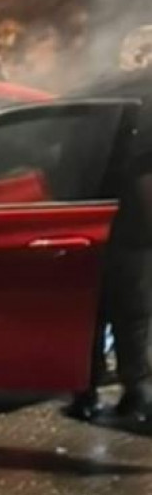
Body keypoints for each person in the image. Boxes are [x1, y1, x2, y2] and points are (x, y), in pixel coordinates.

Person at [69, 65, 152, 422]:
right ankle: (137, 392)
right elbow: (145, 169)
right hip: (130, 223)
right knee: (132, 311)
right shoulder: (145, 97)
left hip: (84, 213)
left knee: (91, 308)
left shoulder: (102, 87)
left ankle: (85, 389)